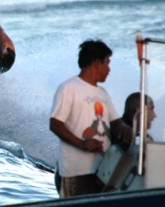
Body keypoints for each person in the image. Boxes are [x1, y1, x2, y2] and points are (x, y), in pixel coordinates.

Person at [49, 40, 133, 197]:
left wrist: (124, 128)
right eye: (107, 63)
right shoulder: (69, 88)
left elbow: (115, 122)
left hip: (102, 171)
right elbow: (55, 124)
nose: (109, 69)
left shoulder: (102, 93)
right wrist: (82, 144)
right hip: (75, 172)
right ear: (96, 63)